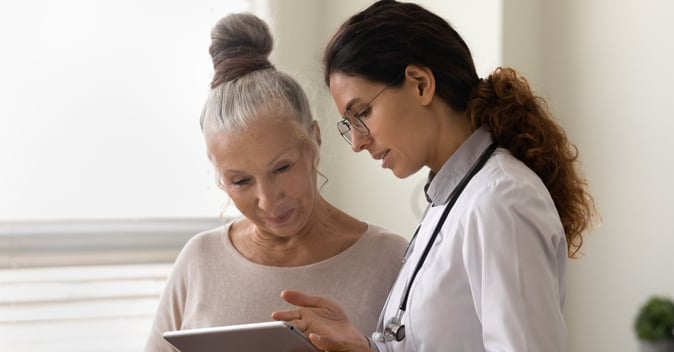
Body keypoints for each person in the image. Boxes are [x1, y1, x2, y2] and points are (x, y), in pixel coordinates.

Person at [271, 1, 597, 351]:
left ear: (421, 84)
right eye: (348, 125)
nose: (357, 142)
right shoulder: (457, 197)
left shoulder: (500, 199)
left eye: (362, 112)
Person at [144, 12, 409, 352]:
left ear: (314, 139)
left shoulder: (390, 259)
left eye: (282, 168)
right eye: (240, 181)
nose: (268, 201)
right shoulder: (199, 261)